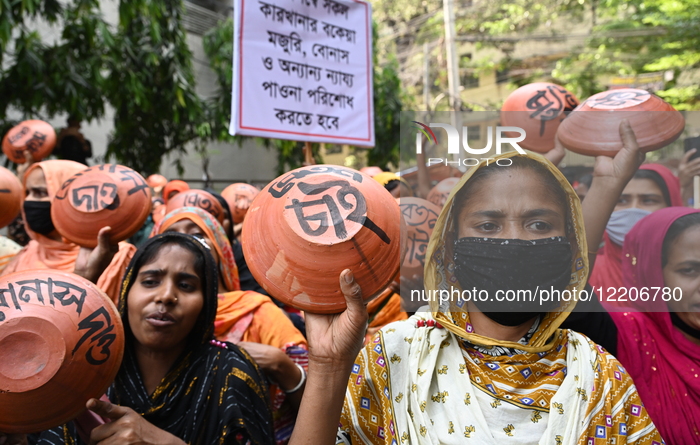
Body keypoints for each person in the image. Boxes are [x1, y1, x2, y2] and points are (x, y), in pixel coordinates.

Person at [287, 121, 662, 445]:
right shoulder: (395, 356)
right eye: (488, 225)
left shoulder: (597, 374)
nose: (513, 241)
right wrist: (329, 367)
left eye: (538, 225)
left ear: (571, 247)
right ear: (450, 248)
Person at [1, 232, 274, 445]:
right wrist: (84, 277)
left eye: (186, 285)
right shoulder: (80, 364)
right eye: (150, 281)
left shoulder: (231, 371)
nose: (166, 296)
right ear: (126, 293)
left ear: (207, 304)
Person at [158, 207, 307, 445]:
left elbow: (318, 410)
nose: (185, 241)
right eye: (171, 234)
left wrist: (282, 366)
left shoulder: (258, 310)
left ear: (220, 247)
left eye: (198, 233)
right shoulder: (152, 317)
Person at [610, 207, 700, 444]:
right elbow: (562, 296)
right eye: (689, 270)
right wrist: (607, 183)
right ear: (654, 277)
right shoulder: (629, 335)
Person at [0, 160, 135, 303]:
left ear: (75, 199)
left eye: (40, 192)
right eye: (27, 192)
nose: (27, 200)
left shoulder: (118, 257)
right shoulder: (28, 252)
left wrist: (85, 276)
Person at [588, 163, 682, 293]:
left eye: (648, 200)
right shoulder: (585, 273)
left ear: (671, 205)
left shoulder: (690, 271)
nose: (633, 209)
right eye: (621, 201)